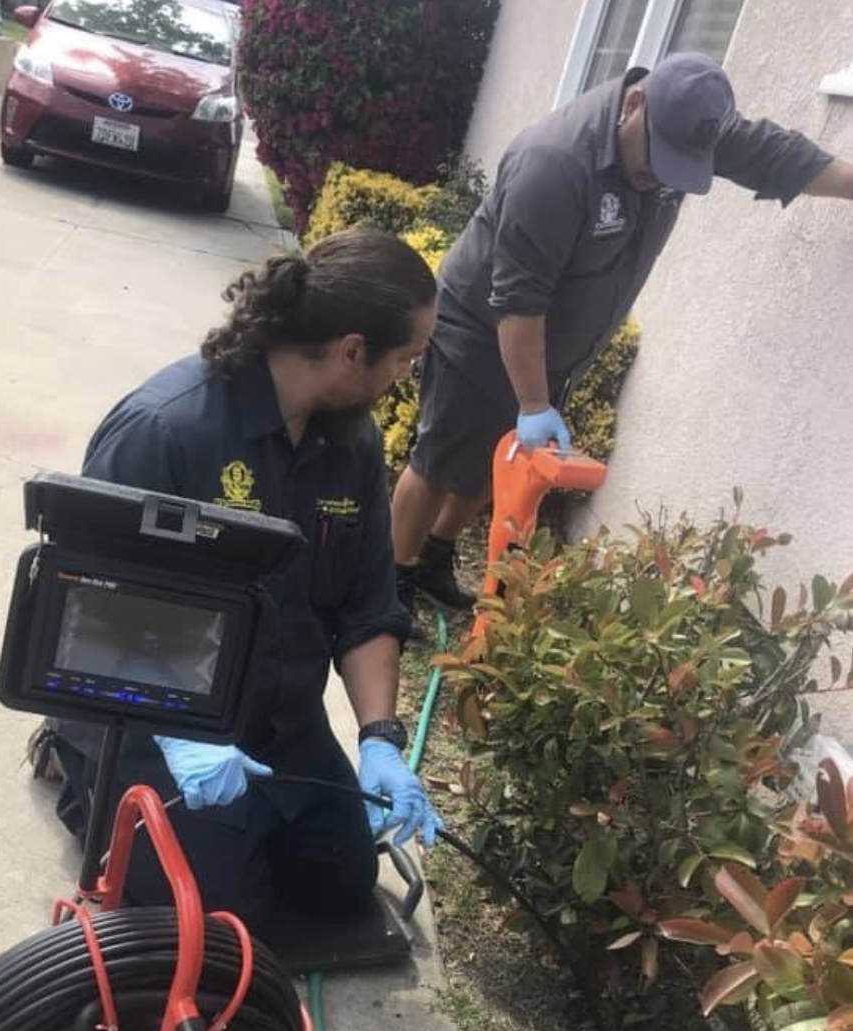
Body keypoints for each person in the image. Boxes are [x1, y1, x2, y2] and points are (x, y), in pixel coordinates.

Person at [47, 227, 444, 939]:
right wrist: (176, 733)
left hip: (279, 722)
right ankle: (79, 772)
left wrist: (380, 740)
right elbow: (87, 610)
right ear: (352, 351)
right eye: (404, 360)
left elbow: (367, 606)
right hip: (156, 723)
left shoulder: (352, 445)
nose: (402, 378)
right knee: (225, 924)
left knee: (340, 882)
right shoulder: (165, 430)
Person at [392, 52, 853, 627]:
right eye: (658, 161)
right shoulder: (553, 165)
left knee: (499, 457)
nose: (663, 179)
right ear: (634, 105)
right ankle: (393, 581)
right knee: (440, 459)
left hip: (549, 342)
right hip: (484, 325)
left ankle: (435, 557)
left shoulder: (688, 124)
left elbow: (779, 156)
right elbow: (518, 300)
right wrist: (533, 403)